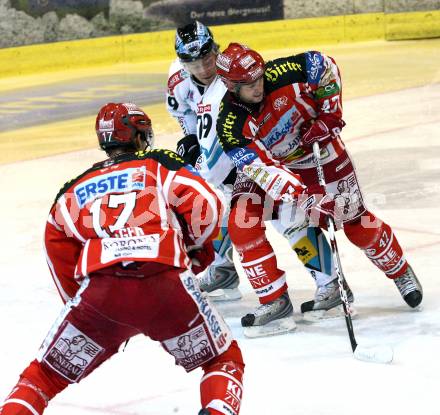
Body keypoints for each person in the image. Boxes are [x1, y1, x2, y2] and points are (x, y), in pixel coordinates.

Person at [0, 103, 244, 415]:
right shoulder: (159, 163)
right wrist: (194, 254)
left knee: (42, 377)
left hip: (101, 293)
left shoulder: (73, 188)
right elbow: (208, 206)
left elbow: (56, 247)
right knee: (222, 360)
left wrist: (82, 303)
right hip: (166, 283)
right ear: (141, 136)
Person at [214, 43, 422, 333]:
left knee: (355, 223)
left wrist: (328, 115)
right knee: (241, 222)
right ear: (229, 85)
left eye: (259, 78)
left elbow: (324, 66)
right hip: (275, 167)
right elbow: (261, 169)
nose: (258, 87)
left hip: (320, 153)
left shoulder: (284, 72)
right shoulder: (230, 124)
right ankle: (274, 300)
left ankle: (399, 270)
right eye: (248, 85)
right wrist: (302, 196)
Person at [167, 21, 345, 334]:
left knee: (291, 223)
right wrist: (191, 140)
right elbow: (187, 118)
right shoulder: (178, 81)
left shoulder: (234, 80)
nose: (203, 67)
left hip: (259, 158)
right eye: (193, 62)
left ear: (216, 50)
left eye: (207, 58)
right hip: (231, 164)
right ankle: (254, 286)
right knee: (236, 222)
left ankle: (330, 287)